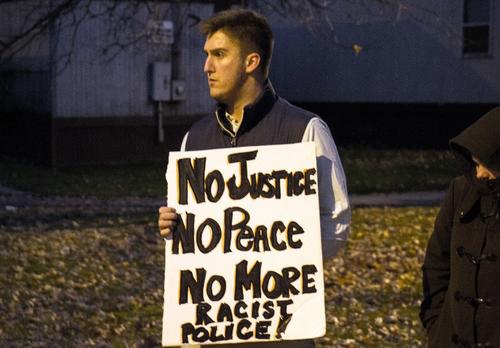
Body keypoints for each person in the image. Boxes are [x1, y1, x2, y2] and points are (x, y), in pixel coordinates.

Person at [158, 9, 350, 348]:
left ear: (251, 62)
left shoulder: (305, 130)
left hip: (282, 332)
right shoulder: (194, 139)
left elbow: (335, 222)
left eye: (219, 55)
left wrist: (277, 263)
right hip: (213, 331)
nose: (207, 67)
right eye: (206, 56)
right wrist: (172, 226)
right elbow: (189, 234)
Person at [420, 107, 500, 347]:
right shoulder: (462, 191)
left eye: (488, 164)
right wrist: (435, 325)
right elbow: (437, 262)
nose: (480, 174)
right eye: (475, 163)